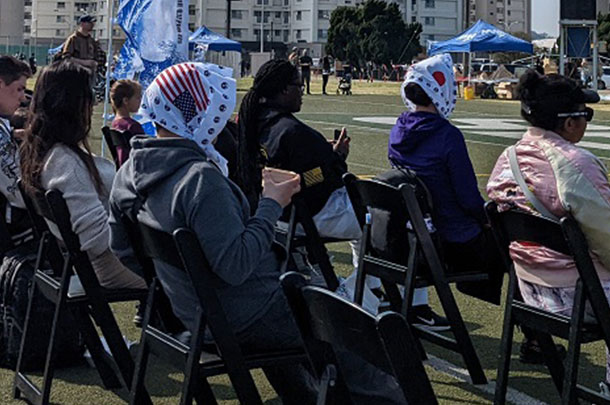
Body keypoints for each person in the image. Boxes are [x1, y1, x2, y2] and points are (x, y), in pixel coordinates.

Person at [109, 62, 407, 404]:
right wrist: (271, 203)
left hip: (193, 312)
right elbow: (237, 266)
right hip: (244, 315)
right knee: (357, 335)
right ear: (197, 113)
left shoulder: (131, 170)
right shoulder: (198, 181)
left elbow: (125, 251)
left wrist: (179, 285)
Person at [487, 71, 610, 383]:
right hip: (578, 298)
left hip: (530, 294)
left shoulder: (508, 159)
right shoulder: (575, 164)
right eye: (587, 114)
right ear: (569, 122)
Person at [388, 54, 504, 323]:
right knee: (516, 246)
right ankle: (534, 338)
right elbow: (467, 198)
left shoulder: (399, 130)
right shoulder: (447, 135)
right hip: (454, 241)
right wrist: (487, 221)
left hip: (418, 236)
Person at [19, 60, 146, 291]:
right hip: (114, 264)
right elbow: (97, 240)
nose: (93, 104)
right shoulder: (65, 162)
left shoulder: (46, 152)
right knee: (195, 284)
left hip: (106, 261)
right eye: (90, 98)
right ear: (73, 104)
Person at [0, 56, 32, 250]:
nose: (23, 97)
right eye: (19, 89)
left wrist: (13, 134)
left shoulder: (5, 126)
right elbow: (20, 194)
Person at [110, 79, 144, 165]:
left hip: (123, 171)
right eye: (138, 98)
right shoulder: (133, 126)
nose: (140, 101)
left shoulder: (115, 124)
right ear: (126, 101)